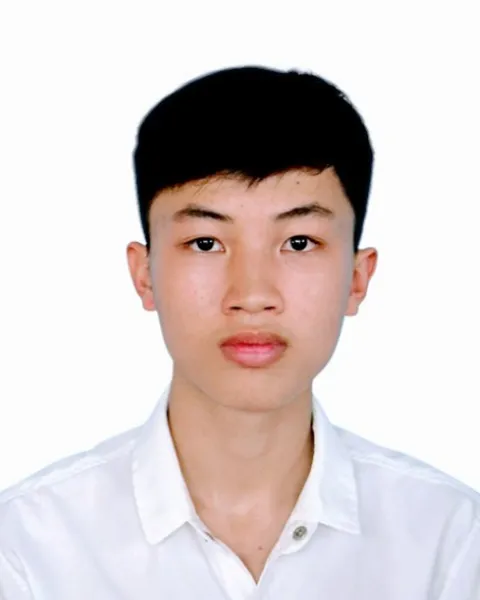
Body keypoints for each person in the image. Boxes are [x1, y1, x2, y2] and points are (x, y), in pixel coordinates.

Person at [0, 65, 479, 600]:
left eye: (299, 242)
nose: (252, 294)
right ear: (144, 274)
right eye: (206, 243)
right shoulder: (28, 550)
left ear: (357, 277)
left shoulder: (451, 544)